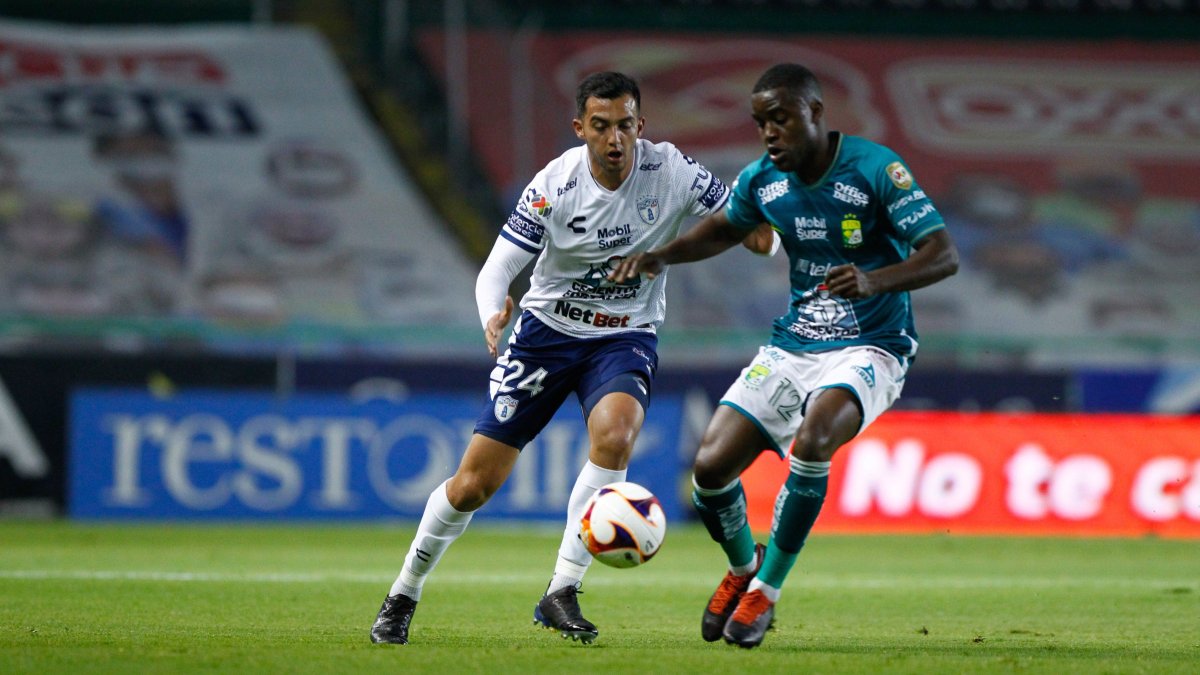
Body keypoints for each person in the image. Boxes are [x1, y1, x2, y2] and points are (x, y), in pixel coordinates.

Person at [369, 71, 771, 646]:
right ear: (580, 128)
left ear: (641, 126)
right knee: (472, 487)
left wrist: (777, 234)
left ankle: (561, 590)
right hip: (544, 335)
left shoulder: (672, 169)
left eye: (625, 126)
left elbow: (741, 216)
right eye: (601, 127)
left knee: (616, 434)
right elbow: (498, 269)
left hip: (624, 335)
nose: (615, 139)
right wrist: (491, 312)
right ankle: (403, 593)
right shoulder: (554, 184)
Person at [610, 63, 959, 648]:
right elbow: (725, 228)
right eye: (761, 123)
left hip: (873, 343)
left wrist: (877, 281)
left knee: (816, 438)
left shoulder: (876, 169)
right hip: (795, 343)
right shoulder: (763, 179)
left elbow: (942, 254)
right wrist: (661, 255)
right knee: (710, 470)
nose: (770, 132)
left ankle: (766, 592)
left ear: (815, 114)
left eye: (781, 119)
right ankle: (745, 568)